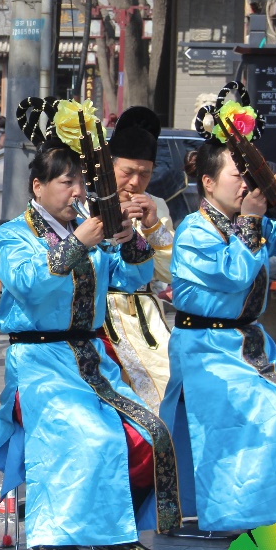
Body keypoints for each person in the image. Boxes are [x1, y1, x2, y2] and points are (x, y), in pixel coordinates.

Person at [0, 99, 180, 550]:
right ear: (38, 186)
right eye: (65, 181)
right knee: (88, 433)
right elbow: (30, 283)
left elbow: (134, 280)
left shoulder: (85, 229)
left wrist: (133, 234)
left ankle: (115, 530)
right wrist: (80, 244)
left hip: (91, 357)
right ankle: (55, 535)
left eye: (80, 180)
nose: (76, 190)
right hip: (38, 361)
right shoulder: (14, 234)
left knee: (145, 432)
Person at [160, 96, 276, 545]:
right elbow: (233, 274)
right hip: (206, 351)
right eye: (235, 174)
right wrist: (251, 223)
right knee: (274, 412)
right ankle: (262, 512)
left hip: (248, 344)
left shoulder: (251, 221)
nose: (245, 183)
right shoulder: (195, 230)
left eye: (248, 174)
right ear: (207, 182)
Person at [102, 107, 174, 409]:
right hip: (102, 313)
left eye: (144, 174)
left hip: (146, 313)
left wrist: (151, 225)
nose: (135, 182)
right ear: (110, 166)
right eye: (127, 172)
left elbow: (169, 272)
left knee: (168, 386)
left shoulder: (155, 205)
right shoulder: (89, 201)